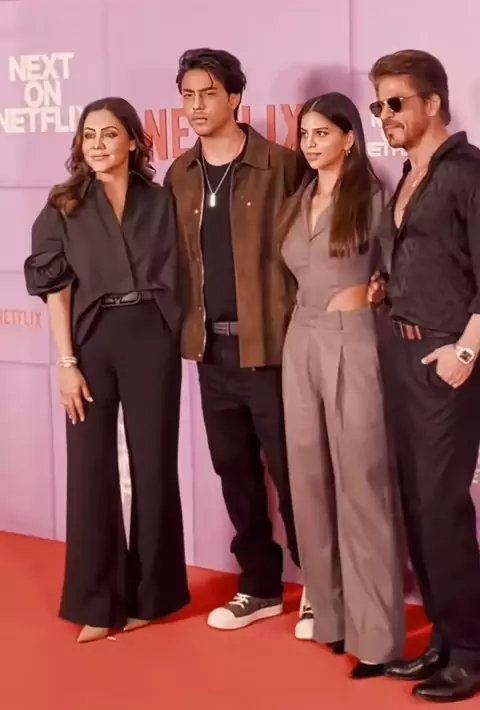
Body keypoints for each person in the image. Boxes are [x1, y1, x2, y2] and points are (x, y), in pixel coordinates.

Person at [24, 97, 189, 643]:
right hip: (91, 340)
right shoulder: (64, 204)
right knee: (89, 466)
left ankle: (154, 597)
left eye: (109, 134)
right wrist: (66, 362)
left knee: (155, 464)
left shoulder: (161, 200)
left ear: (133, 142)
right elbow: (56, 291)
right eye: (89, 135)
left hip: (152, 338)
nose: (97, 144)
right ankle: (97, 602)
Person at [164, 48, 303, 630]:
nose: (196, 106)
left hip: (272, 348)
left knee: (295, 472)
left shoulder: (282, 165)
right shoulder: (179, 174)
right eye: (188, 96)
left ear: (235, 97)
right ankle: (260, 586)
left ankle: (322, 586)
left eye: (208, 94)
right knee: (234, 471)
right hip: (211, 350)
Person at [279, 92, 404, 677]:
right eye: (304, 133)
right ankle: (330, 620)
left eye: (322, 133)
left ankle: (376, 638)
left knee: (361, 486)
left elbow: (402, 266)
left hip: (353, 339)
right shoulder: (298, 198)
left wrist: (381, 288)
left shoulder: (373, 197)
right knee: (309, 484)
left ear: (350, 138)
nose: (310, 143)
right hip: (298, 340)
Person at [367, 50, 480, 702]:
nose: (385, 115)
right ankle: (442, 638)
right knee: (416, 504)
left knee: (441, 507)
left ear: (433, 103)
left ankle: (471, 648)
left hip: (447, 361)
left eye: (396, 102)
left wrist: (466, 350)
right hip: (400, 354)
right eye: (378, 104)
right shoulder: (409, 174)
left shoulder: (468, 172)